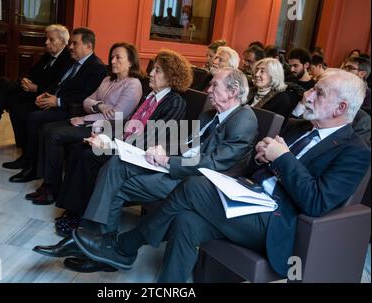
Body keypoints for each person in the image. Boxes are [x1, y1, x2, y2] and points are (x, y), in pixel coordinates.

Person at [72, 68, 371, 282]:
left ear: (341, 107)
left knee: (194, 187)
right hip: (247, 196)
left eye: (318, 92)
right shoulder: (301, 127)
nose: (307, 95)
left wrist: (283, 159)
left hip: (277, 222)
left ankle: (126, 247)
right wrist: (263, 157)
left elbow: (317, 202)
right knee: (187, 222)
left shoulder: (355, 151)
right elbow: (256, 167)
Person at [33, 68, 259, 274]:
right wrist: (162, 149)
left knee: (117, 183)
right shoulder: (210, 114)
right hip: (177, 168)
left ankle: (94, 245)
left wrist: (168, 161)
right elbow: (187, 142)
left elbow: (214, 164)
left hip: (195, 184)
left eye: (215, 85)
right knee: (116, 165)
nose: (208, 89)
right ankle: (96, 243)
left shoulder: (243, 119)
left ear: (233, 91)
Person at [33, 49, 192, 239]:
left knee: (89, 156)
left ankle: (78, 215)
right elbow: (129, 124)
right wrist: (104, 135)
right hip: (127, 145)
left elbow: (152, 138)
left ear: (171, 76)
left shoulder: (175, 102)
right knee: (80, 147)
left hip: (142, 155)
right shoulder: (150, 96)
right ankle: (73, 210)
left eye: (157, 70)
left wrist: (111, 145)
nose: (150, 73)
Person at [24, 42, 143, 202]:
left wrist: (84, 119)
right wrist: (100, 105)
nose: (113, 61)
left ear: (130, 62)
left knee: (53, 134)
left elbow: (116, 116)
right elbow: (87, 101)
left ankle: (52, 189)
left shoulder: (133, 84)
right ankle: (48, 184)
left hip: (107, 130)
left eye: (118, 58)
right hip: (93, 123)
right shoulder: (108, 80)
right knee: (45, 129)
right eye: (112, 57)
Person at [4, 27, 108, 183]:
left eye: (75, 43)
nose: (70, 47)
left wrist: (57, 101)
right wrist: (45, 94)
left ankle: (32, 167)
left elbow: (85, 96)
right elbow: (57, 83)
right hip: (55, 102)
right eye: (71, 43)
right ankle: (26, 157)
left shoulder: (97, 67)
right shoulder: (72, 62)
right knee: (21, 108)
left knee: (34, 117)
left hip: (71, 110)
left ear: (89, 46)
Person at [0, 24, 73, 158]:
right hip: (30, 91)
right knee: (2, 85)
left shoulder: (67, 59)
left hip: (42, 96)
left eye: (51, 40)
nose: (46, 42)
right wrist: (25, 80)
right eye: (47, 39)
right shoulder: (48, 55)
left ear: (63, 41)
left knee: (3, 95)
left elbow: (58, 84)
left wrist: (37, 88)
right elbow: (32, 73)